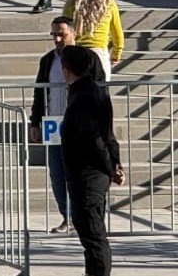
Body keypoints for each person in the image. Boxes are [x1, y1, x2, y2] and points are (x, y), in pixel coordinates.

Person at [29, 16, 108, 235]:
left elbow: (101, 91)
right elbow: (40, 91)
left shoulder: (88, 58)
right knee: (57, 173)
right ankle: (68, 217)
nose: (57, 39)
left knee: (82, 173)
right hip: (55, 124)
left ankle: (86, 215)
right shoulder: (48, 60)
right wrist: (35, 121)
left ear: (73, 33)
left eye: (61, 34)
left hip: (82, 126)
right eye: (53, 34)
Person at [59, 44, 124, 276]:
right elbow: (108, 135)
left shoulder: (83, 95)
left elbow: (95, 138)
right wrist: (115, 164)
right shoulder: (94, 91)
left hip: (87, 174)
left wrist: (110, 166)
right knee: (91, 232)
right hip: (92, 173)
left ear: (66, 69)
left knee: (93, 233)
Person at [63, 0, 123, 80]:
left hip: (78, 51)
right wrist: (116, 54)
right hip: (99, 52)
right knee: (100, 93)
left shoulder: (72, 2)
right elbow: (118, 34)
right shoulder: (109, 4)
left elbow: (65, 28)